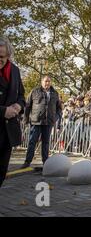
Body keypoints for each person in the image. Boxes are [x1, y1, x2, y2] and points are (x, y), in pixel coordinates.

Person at [0, 37, 25, 187]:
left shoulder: (15, 70)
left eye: (1, 57)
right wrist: (3, 111)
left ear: (8, 56)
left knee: (2, 172)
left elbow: (22, 95)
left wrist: (19, 106)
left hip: (8, 132)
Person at [21, 76, 62, 168]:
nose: (47, 83)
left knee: (46, 142)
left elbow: (59, 108)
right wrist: (25, 119)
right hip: (36, 121)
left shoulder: (55, 93)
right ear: (42, 82)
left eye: (49, 81)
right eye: (45, 81)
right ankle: (27, 162)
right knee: (32, 141)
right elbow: (27, 106)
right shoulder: (34, 91)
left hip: (48, 122)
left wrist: (55, 117)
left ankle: (45, 162)